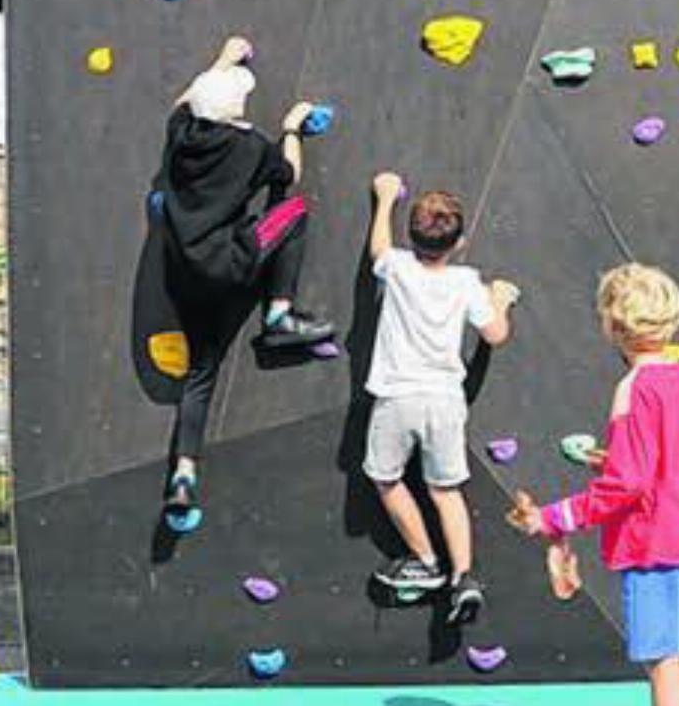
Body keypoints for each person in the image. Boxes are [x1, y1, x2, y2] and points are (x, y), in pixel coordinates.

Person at [516, 264, 679, 706]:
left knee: (661, 662)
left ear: (612, 325)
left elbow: (626, 483)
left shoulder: (633, 388)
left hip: (651, 543)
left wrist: (555, 516)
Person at [159, 35, 335, 523]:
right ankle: (279, 315)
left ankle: (184, 473)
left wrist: (219, 60)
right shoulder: (249, 147)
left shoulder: (181, 133)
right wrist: (292, 128)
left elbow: (182, 103)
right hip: (234, 259)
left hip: (187, 276)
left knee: (200, 374)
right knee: (293, 211)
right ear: (236, 110)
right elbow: (289, 173)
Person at [364, 171, 518, 624]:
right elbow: (495, 333)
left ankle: (427, 561)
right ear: (460, 242)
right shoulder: (467, 282)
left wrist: (385, 199)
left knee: (385, 478)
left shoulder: (396, 266)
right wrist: (500, 298)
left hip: (397, 396)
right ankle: (464, 575)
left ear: (412, 239)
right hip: (445, 400)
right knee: (445, 490)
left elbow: (377, 249)